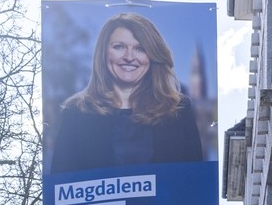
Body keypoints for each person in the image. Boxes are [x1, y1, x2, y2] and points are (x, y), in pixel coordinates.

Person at [50, 12, 204, 174]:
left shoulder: (178, 109)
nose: (129, 57)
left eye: (140, 49)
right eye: (119, 47)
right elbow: (60, 187)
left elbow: (194, 181)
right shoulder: (76, 112)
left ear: (152, 55)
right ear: (103, 53)